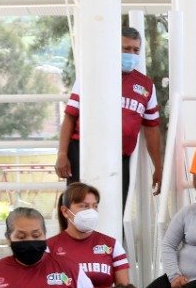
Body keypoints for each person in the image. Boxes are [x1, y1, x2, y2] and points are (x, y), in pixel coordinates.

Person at [55, 26, 163, 202]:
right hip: (83, 152)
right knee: (79, 205)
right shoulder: (90, 76)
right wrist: (62, 154)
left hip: (121, 157)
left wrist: (158, 166)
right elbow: (70, 116)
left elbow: (152, 128)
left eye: (136, 50)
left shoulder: (146, 85)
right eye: (126, 49)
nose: (131, 54)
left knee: (117, 207)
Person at [48, 182, 130, 288]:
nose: (91, 212)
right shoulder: (49, 247)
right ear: (65, 211)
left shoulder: (112, 245)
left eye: (95, 206)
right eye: (84, 206)